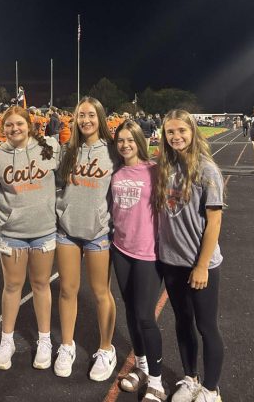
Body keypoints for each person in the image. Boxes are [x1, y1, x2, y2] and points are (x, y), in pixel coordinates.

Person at [155, 109, 224, 402]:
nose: (176, 137)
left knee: (206, 326)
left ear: (193, 132)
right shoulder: (165, 167)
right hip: (171, 263)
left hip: (200, 264)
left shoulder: (207, 170)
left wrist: (202, 266)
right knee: (182, 321)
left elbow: (214, 222)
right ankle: (190, 378)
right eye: (170, 132)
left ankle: (210, 389)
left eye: (181, 131)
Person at [0, 106, 59, 372]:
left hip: (43, 230)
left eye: (19, 124)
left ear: (29, 125)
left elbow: (63, 178)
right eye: (9, 125)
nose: (14, 129)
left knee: (41, 285)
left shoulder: (49, 147)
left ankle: (44, 340)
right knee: (12, 287)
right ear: (2, 127)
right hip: (13, 234)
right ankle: (7, 340)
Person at [54, 96, 116, 382]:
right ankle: (67, 346)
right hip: (67, 230)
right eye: (81, 115)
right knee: (67, 290)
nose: (86, 120)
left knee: (101, 292)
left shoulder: (113, 152)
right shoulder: (68, 150)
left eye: (91, 115)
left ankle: (106, 349)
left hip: (97, 233)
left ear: (100, 118)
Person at [111, 121, 166, 401]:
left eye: (130, 140)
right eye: (120, 140)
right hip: (121, 250)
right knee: (131, 313)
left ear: (139, 141)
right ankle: (142, 367)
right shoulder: (116, 172)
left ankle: (157, 381)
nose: (125, 145)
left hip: (148, 254)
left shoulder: (155, 171)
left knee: (145, 316)